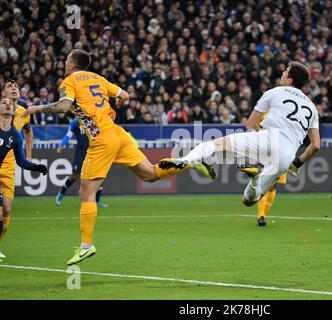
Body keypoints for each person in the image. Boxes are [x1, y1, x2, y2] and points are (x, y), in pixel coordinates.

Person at [23, 49, 204, 266]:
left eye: (66, 60)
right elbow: (125, 96)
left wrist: (35, 108)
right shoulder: (98, 78)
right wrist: (116, 105)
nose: (64, 63)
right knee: (151, 173)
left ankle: (86, 246)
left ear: (72, 64)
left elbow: (63, 106)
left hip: (101, 139)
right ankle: (188, 163)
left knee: (86, 192)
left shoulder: (69, 81)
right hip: (119, 133)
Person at [158, 62, 321, 208]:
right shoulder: (312, 108)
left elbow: (250, 125)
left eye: (285, 71)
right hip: (287, 155)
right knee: (249, 201)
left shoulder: (275, 92)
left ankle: (185, 160)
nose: (282, 73)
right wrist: (297, 164)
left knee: (214, 145)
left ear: (289, 80)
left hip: (268, 137)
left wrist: (259, 142)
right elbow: (315, 145)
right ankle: (255, 178)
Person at [0, 98, 47, 260]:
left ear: (13, 112)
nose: (7, 104)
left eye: (10, 104)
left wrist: (37, 167)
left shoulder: (15, 135)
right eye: (3, 102)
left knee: (2, 211)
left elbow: (21, 161)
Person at [0, 80, 34, 259]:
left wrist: (28, 155)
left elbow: (28, 131)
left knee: (6, 210)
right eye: (9, 87)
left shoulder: (23, 112)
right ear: (3, 94)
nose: (14, 89)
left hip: (9, 168)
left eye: (16, 87)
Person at [55, 118, 107, 207]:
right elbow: (68, 135)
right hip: (81, 153)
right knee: (75, 176)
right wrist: (61, 145)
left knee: (98, 175)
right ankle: (62, 191)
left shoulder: (93, 119)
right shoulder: (75, 122)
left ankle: (97, 200)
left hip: (94, 152)